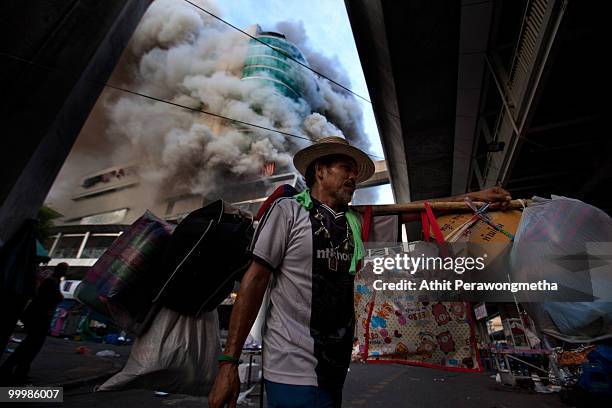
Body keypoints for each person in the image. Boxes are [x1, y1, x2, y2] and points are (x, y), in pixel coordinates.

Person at [208, 136, 511, 408]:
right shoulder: (288, 211)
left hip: (335, 368)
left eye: (354, 171)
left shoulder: (357, 222)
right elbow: (255, 280)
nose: (353, 176)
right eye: (344, 167)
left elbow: (415, 210)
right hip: (289, 364)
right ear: (320, 171)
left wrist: (473, 199)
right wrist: (229, 364)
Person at [0, 262, 67, 384]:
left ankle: (20, 370)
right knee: (31, 345)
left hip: (38, 317)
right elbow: (54, 298)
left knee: (31, 345)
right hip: (39, 318)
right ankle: (11, 369)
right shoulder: (52, 282)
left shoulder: (53, 281)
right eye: (64, 270)